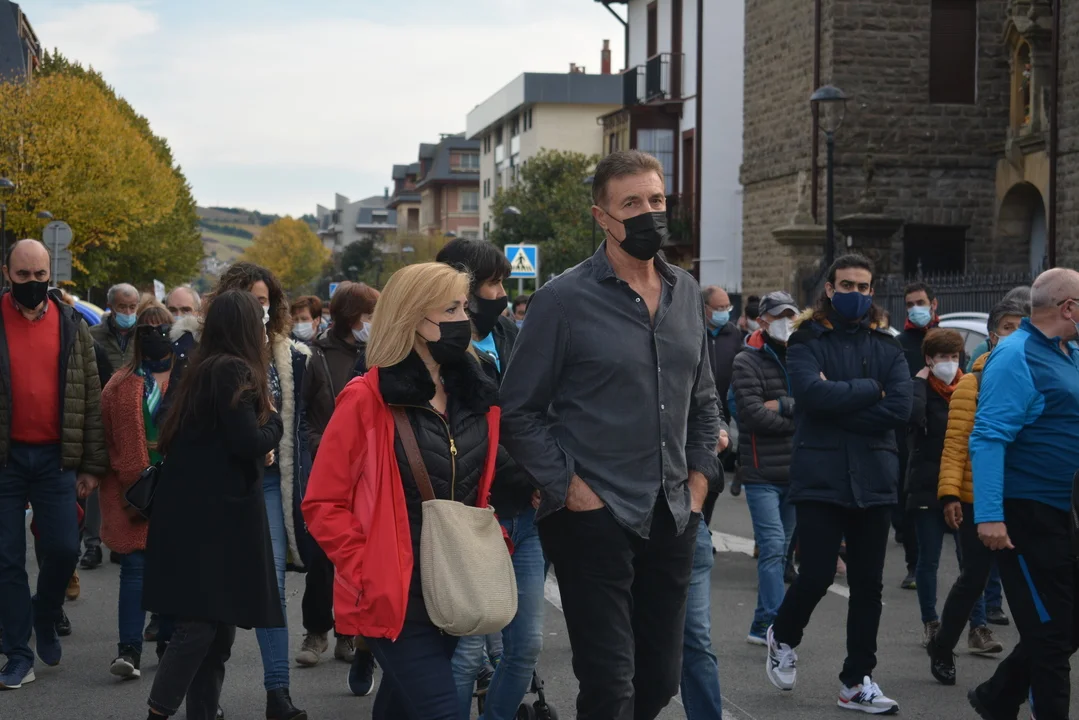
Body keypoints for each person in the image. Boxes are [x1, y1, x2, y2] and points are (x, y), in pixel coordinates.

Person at [500, 150, 722, 720]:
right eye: (632, 203)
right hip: (593, 521)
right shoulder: (561, 300)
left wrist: (699, 485)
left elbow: (704, 401)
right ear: (602, 216)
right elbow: (519, 411)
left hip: (673, 514)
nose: (649, 212)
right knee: (609, 686)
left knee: (659, 681)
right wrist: (572, 490)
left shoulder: (686, 292)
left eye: (657, 199)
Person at [302, 262, 512, 720]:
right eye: (451, 309)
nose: (464, 319)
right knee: (443, 710)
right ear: (413, 317)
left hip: (453, 584)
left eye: (464, 308)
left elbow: (475, 486)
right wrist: (367, 568)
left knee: (401, 707)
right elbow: (322, 503)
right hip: (393, 594)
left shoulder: (475, 394)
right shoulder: (366, 399)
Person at [765, 253, 911, 714]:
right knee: (816, 574)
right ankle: (782, 635)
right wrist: (871, 389)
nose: (855, 294)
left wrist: (838, 403)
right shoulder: (806, 338)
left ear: (872, 291)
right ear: (830, 289)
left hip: (875, 476)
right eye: (846, 285)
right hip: (820, 475)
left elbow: (901, 408)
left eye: (863, 287)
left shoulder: (887, 345)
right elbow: (810, 394)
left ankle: (857, 681)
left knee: (869, 585)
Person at [142, 290, 284, 719]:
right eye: (259, 323)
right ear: (244, 328)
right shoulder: (233, 370)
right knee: (202, 627)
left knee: (216, 630)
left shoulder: (204, 367)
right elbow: (247, 441)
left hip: (198, 514)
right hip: (214, 521)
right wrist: (274, 422)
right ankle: (158, 711)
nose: (264, 331)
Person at [435, 238, 543, 720]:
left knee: (527, 646)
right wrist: (528, 474)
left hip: (525, 512)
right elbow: (467, 433)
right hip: (473, 515)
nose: (501, 294)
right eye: (493, 284)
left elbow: (531, 409)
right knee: (467, 654)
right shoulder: (441, 346)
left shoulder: (506, 333)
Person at [967, 268, 1079, 720]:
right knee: (1050, 635)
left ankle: (996, 697)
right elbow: (988, 437)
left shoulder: (1070, 352)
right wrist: (989, 516)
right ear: (1068, 308)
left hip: (1068, 514)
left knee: (1065, 627)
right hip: (1028, 514)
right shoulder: (1015, 355)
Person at [0, 240, 108, 690]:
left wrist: (92, 465)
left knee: (64, 548)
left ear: (51, 275)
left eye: (39, 275)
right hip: (5, 459)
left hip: (55, 458)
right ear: (7, 273)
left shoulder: (71, 325)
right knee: (5, 558)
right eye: (23, 275)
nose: (32, 283)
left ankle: (44, 614)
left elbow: (90, 396)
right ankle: (17, 653)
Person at [212, 262, 311, 720]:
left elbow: (305, 423)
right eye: (251, 301)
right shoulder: (207, 354)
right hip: (222, 483)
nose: (260, 309)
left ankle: (278, 692)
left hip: (272, 484)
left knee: (272, 583)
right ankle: (204, 697)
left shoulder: (291, 357)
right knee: (214, 587)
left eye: (265, 300)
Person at [928, 300, 1028, 686]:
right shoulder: (973, 382)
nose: (1015, 334)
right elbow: (956, 444)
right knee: (974, 578)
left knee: (1027, 581)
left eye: (1021, 327)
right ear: (992, 335)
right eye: (1007, 327)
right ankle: (943, 645)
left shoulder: (1036, 375)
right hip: (976, 497)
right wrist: (950, 495)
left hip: (1022, 495)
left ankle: (1034, 659)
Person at [297, 281, 378, 679]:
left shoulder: (378, 354)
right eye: (369, 315)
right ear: (350, 317)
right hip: (327, 468)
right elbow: (302, 415)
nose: (374, 323)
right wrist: (323, 446)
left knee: (358, 554)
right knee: (320, 556)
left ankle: (350, 634)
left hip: (368, 471)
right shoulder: (315, 356)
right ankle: (316, 632)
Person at [906, 328, 1003, 657]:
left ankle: (978, 627)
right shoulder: (920, 389)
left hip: (963, 486)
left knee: (971, 563)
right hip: (926, 485)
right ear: (929, 360)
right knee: (929, 559)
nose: (949, 362)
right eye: (942, 357)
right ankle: (932, 623)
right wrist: (918, 384)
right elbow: (912, 419)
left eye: (954, 356)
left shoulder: (972, 387)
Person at [98, 303, 177, 680]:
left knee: (174, 568)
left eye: (163, 328)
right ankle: (128, 648)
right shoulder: (120, 384)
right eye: (147, 329)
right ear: (136, 336)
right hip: (136, 490)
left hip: (180, 487)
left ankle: (168, 641)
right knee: (134, 568)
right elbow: (107, 436)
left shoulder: (189, 378)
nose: (155, 335)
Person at [732, 291, 799, 646]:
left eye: (791, 315)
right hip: (761, 473)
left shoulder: (803, 354)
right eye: (779, 316)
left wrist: (783, 406)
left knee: (782, 549)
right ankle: (775, 625)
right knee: (772, 547)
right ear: (762, 321)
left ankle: (760, 625)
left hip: (796, 471)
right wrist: (798, 418)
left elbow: (818, 402)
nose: (786, 322)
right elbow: (752, 415)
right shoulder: (746, 360)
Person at [81, 283, 139, 571]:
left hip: (131, 417)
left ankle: (119, 541)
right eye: (122, 307)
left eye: (132, 307)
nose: (128, 312)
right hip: (98, 415)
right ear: (111, 308)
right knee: (95, 476)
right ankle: (92, 544)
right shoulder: (93, 336)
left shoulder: (143, 336)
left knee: (127, 477)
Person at [894, 281, 941, 591]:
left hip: (941, 430)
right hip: (907, 433)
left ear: (933, 304)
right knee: (910, 499)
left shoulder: (945, 340)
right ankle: (914, 563)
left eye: (920, 302)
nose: (915, 309)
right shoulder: (900, 344)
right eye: (910, 304)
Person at [965, 286, 1029, 373]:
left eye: (1022, 327)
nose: (1017, 333)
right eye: (1007, 328)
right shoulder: (985, 352)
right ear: (993, 337)